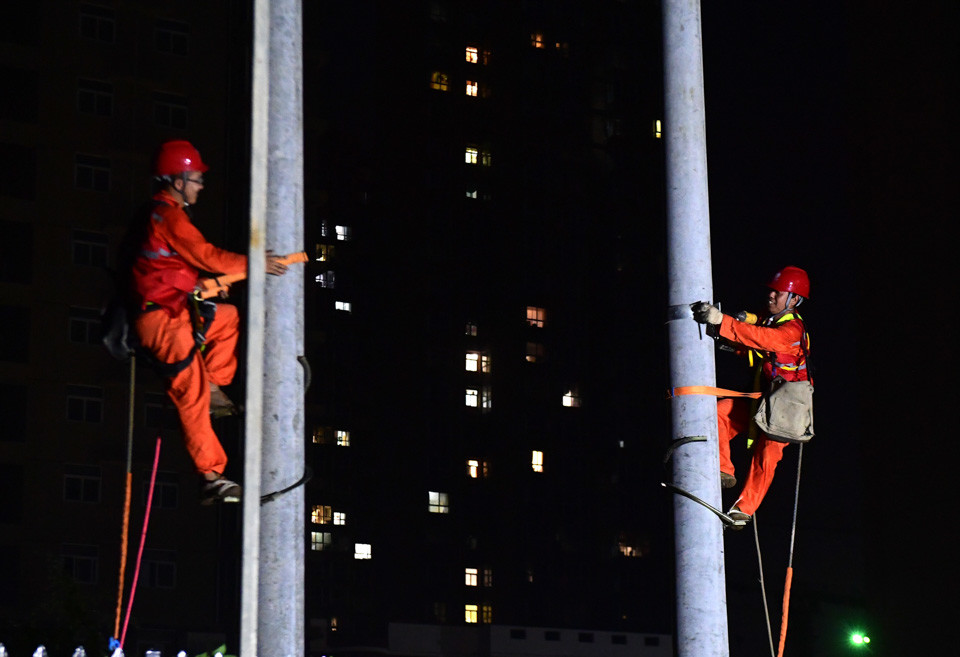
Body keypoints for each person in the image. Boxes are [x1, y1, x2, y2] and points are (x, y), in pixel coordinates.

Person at [130, 140, 288, 504]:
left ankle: (216, 389)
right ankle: (212, 477)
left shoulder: (160, 217)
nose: (201, 185)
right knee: (191, 394)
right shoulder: (168, 216)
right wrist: (253, 262)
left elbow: (169, 272)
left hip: (173, 310)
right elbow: (206, 255)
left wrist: (209, 287)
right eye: (197, 178)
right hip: (163, 323)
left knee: (227, 317)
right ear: (178, 180)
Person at [691, 266, 811, 528]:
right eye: (771, 291)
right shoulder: (772, 322)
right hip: (764, 401)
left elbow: (762, 339)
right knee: (721, 413)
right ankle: (724, 470)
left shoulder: (792, 331)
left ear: (794, 300)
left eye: (778, 293)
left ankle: (742, 511)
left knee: (767, 455)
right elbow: (756, 344)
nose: (771, 296)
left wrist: (721, 321)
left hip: (786, 409)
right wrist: (731, 339)